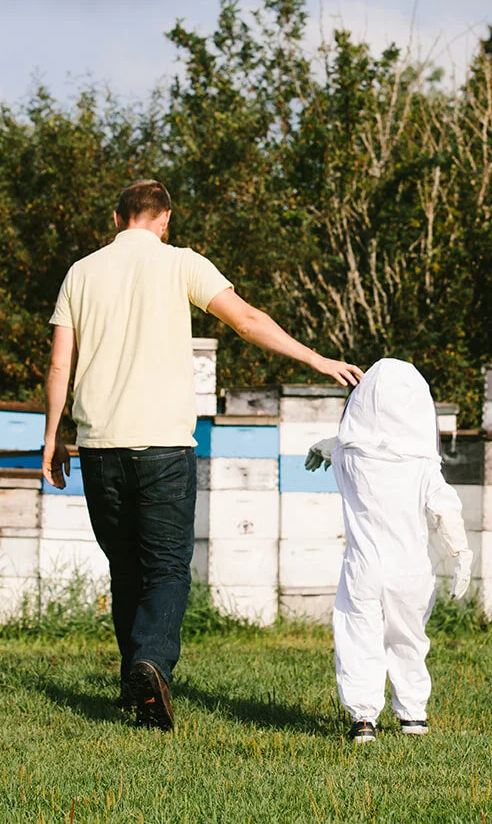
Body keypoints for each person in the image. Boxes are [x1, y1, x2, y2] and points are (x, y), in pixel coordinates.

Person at [40, 179, 363, 731]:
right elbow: (247, 320)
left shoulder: (81, 272)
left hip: (98, 449)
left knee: (126, 569)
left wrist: (52, 437)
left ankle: (137, 688)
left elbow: (58, 365)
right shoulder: (182, 263)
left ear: (117, 219)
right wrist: (316, 359)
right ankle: (151, 665)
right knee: (166, 567)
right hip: (163, 447)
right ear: (165, 219)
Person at [306, 357, 473, 744]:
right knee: (409, 640)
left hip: (363, 567)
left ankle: (364, 720)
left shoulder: (349, 458)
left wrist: (324, 445)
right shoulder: (424, 468)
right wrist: (461, 556)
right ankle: (413, 715)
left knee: (357, 636)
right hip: (411, 570)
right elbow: (446, 511)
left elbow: (347, 444)